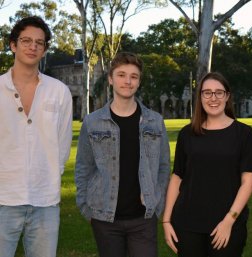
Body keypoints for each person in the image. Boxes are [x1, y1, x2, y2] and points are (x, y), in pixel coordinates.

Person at [75, 52, 170, 257]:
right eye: (121, 75)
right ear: (110, 79)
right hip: (104, 217)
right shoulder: (92, 122)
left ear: (139, 81)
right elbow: (84, 166)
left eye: (133, 76)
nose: (127, 81)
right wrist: (86, 207)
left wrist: (157, 203)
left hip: (143, 218)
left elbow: (163, 167)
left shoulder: (155, 121)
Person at [162, 72, 252, 257]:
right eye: (207, 93)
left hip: (226, 224)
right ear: (200, 97)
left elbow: (249, 181)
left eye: (219, 92)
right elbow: (177, 177)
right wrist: (166, 221)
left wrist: (229, 220)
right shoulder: (187, 134)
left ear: (227, 96)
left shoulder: (244, 134)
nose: (213, 98)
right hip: (187, 223)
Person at [0, 16, 73, 257]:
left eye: (39, 43)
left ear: (44, 49)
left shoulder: (59, 92)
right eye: (26, 41)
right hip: (3, 199)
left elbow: (63, 143)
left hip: (45, 202)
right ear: (13, 45)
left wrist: (51, 175)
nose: (33, 46)